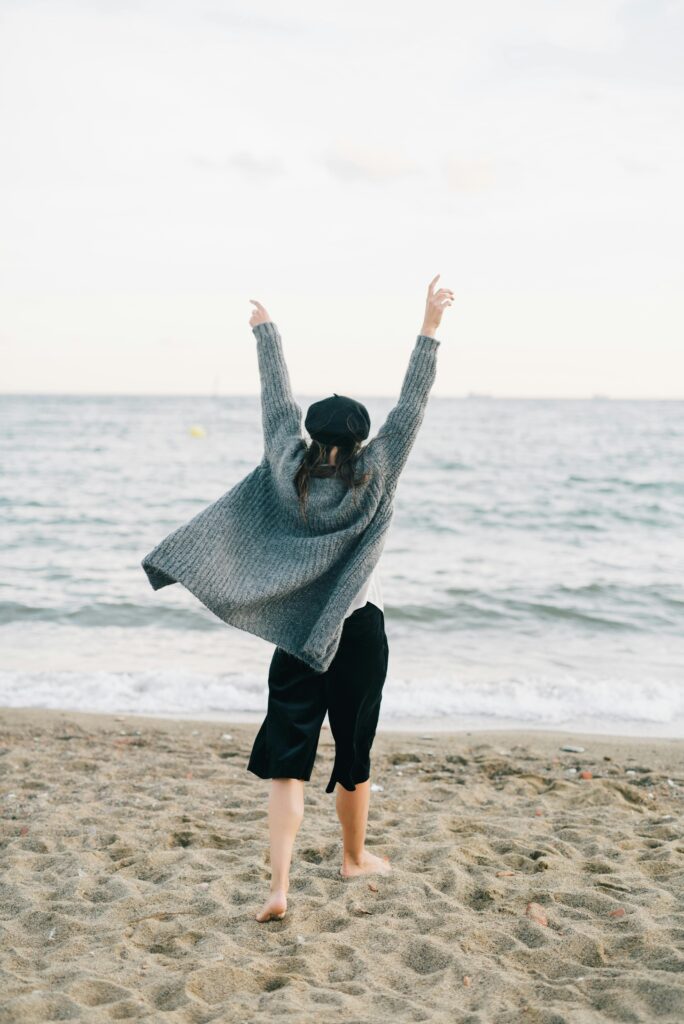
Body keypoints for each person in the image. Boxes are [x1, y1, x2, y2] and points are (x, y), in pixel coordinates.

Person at [246, 275, 454, 923]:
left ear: (310, 436)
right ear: (361, 440)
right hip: (360, 633)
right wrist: (429, 326)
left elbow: (275, 399)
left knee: (289, 756)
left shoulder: (288, 467)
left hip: (298, 633)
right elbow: (412, 405)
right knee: (353, 751)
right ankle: (352, 858)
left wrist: (265, 331)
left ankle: (279, 887)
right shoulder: (377, 470)